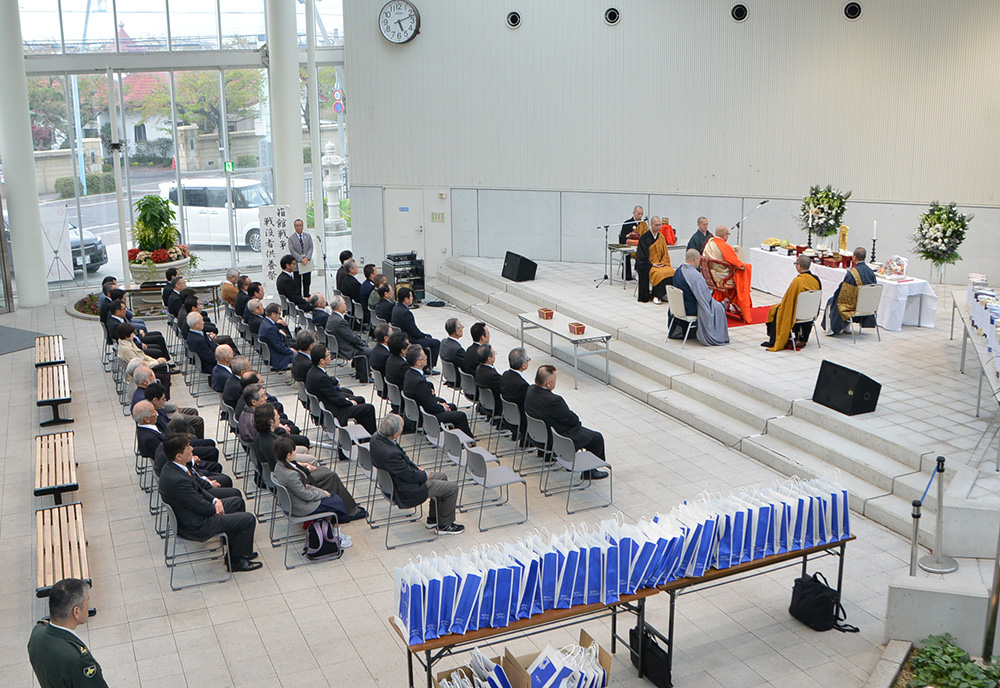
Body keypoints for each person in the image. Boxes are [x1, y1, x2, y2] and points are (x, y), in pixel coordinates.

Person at [158, 434, 262, 572]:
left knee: (237, 502)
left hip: (195, 513)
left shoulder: (176, 467)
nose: (192, 448)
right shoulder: (177, 480)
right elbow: (199, 504)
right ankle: (236, 562)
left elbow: (198, 488)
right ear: (179, 455)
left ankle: (236, 547)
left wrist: (215, 500)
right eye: (188, 447)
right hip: (197, 524)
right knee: (248, 519)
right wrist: (215, 509)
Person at [254, 405, 365, 521]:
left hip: (287, 475)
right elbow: (296, 481)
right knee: (330, 476)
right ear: (271, 421)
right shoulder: (271, 444)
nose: (279, 417)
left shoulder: (260, 438)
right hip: (295, 480)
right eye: (277, 415)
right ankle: (349, 510)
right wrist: (305, 469)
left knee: (324, 471)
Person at [370, 414, 464, 534]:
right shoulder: (391, 454)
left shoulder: (376, 438)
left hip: (397, 479)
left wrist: (416, 468)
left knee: (442, 477)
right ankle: (445, 525)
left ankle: (434, 518)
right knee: (452, 488)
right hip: (405, 488)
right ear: (396, 434)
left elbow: (403, 468)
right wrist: (425, 475)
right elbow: (410, 476)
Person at [524, 365, 608, 478]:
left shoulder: (530, 390)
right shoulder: (554, 401)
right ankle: (590, 472)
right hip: (555, 440)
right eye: (555, 380)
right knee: (596, 438)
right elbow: (572, 420)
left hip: (537, 436)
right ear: (548, 383)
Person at [27, 578, 109, 688]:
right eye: (87, 602)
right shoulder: (79, 660)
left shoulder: (37, 632)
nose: (88, 606)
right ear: (76, 612)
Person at [270, 437, 361, 534]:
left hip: (294, 501)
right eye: (294, 451)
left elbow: (302, 488)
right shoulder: (290, 475)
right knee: (336, 502)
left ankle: (332, 530)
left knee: (332, 497)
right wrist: (322, 494)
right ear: (288, 455)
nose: (295, 453)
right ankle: (336, 534)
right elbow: (305, 494)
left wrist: (320, 492)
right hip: (300, 506)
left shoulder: (279, 466)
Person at [403, 344, 474, 436]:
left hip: (419, 410)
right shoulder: (419, 382)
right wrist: (442, 407)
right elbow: (430, 407)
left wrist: (439, 402)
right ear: (418, 362)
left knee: (451, 406)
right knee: (460, 416)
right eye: (424, 357)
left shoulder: (409, 374)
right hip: (425, 416)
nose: (426, 358)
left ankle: (455, 436)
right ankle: (468, 440)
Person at [306, 344, 378, 434]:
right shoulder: (321, 378)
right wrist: (349, 402)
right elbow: (335, 398)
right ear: (322, 360)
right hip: (335, 411)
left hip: (328, 404)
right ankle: (372, 435)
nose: (330, 356)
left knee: (360, 399)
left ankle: (362, 433)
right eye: (328, 355)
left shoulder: (313, 371)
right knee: (369, 408)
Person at [669, 249, 730, 346]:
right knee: (719, 308)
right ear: (695, 259)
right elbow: (705, 299)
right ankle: (718, 335)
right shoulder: (695, 276)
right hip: (689, 309)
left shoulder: (678, 270)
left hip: (678, 308)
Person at [763, 254, 822, 351]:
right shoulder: (816, 280)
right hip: (811, 313)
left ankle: (775, 339)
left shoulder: (798, 281)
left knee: (777, 309)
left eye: (796, 264)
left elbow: (788, 301)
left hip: (798, 315)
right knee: (776, 308)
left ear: (800, 266)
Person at [703, 225, 754, 323]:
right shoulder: (723, 246)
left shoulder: (710, 242)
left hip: (711, 276)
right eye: (728, 234)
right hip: (722, 277)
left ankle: (728, 302)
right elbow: (735, 262)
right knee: (742, 272)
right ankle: (737, 305)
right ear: (724, 235)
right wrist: (746, 267)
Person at [824, 247, 877, 336]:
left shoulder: (852, 273)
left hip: (855, 306)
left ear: (855, 257)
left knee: (833, 300)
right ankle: (846, 326)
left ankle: (838, 327)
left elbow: (844, 294)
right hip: (867, 305)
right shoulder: (871, 272)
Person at [392, 287, 440, 373]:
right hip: (409, 338)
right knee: (435, 343)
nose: (412, 298)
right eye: (411, 297)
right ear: (406, 299)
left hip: (402, 335)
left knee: (428, 337)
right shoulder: (406, 313)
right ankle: (428, 367)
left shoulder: (396, 308)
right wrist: (423, 335)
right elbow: (414, 331)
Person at [326, 294, 372, 379]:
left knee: (361, 345)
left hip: (338, 346)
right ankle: (364, 376)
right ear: (339, 307)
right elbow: (350, 337)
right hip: (344, 348)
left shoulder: (331, 318)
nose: (346, 305)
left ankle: (361, 372)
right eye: (344, 304)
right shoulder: (339, 321)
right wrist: (361, 342)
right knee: (367, 350)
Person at [117, 322, 172, 392]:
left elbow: (143, 356)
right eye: (132, 333)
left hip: (142, 366)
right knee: (164, 375)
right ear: (127, 335)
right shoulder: (126, 349)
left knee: (162, 367)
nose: (134, 335)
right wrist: (156, 362)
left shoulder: (128, 342)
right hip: (138, 374)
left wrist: (155, 360)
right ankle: (162, 396)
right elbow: (138, 366)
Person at [636, 216, 675, 304]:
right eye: (656, 225)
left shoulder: (661, 237)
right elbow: (641, 257)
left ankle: (664, 294)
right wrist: (652, 264)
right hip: (649, 265)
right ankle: (656, 295)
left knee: (671, 271)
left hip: (661, 263)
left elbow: (665, 253)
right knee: (659, 273)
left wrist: (663, 263)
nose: (658, 227)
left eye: (660, 225)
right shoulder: (644, 238)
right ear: (651, 224)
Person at [500, 347, 531, 444]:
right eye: (527, 359)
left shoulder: (505, 375)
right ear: (523, 365)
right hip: (520, 418)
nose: (528, 361)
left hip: (508, 414)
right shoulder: (522, 385)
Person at [259, 303, 296, 370]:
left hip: (273, 354)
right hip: (278, 358)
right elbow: (279, 346)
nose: (280, 316)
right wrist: (290, 351)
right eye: (279, 313)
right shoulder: (270, 328)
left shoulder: (265, 322)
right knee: (301, 356)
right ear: (273, 314)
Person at [474, 344, 504, 421]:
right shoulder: (493, 375)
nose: (495, 356)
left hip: (485, 402)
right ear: (489, 359)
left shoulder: (478, 369)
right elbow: (503, 389)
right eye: (494, 354)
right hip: (496, 405)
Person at [288, 218, 314, 297]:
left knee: (307, 281)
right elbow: (292, 251)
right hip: (297, 263)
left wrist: (307, 258)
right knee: (297, 282)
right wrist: (301, 259)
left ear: (303, 226)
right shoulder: (291, 238)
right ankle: (298, 297)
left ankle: (306, 295)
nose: (299, 227)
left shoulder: (308, 236)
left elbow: (311, 247)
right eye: (297, 226)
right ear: (294, 227)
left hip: (307, 262)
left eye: (300, 225)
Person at [618, 205, 644, 281]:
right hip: (629, 246)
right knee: (626, 254)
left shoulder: (643, 224)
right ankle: (627, 275)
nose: (640, 216)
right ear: (634, 213)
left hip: (639, 246)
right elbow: (622, 238)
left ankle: (638, 272)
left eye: (641, 214)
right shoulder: (627, 223)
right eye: (638, 213)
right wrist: (628, 235)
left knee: (643, 252)